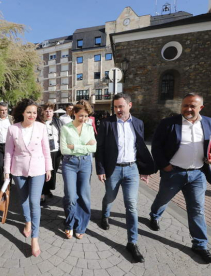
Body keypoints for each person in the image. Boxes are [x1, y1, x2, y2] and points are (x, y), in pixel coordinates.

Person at [149, 93, 211, 264]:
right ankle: (154, 214)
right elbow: (156, 146)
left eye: (192, 106)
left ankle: (200, 245)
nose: (188, 109)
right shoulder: (169, 123)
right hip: (173, 172)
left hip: (198, 174)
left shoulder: (210, 123)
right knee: (163, 198)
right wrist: (164, 165)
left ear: (200, 107)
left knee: (197, 209)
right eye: (185, 105)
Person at [95, 93, 155, 263]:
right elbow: (100, 149)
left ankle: (132, 242)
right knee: (110, 197)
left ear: (130, 105)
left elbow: (141, 148)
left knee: (132, 206)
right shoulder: (107, 123)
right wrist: (100, 169)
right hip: (113, 169)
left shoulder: (138, 123)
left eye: (121, 106)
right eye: (115, 107)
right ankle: (105, 214)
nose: (118, 110)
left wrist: (144, 170)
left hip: (132, 169)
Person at [4, 99, 52, 257]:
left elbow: (46, 149)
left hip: (38, 169)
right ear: (22, 113)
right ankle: (27, 222)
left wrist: (48, 168)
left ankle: (35, 238)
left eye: (35, 112)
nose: (32, 115)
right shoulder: (13, 129)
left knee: (34, 201)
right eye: (29, 112)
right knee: (23, 200)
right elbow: (9, 152)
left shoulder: (41, 127)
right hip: (18, 169)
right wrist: (6, 171)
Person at [60, 102, 96, 240]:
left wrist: (74, 146)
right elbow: (64, 150)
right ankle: (69, 223)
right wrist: (84, 146)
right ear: (74, 113)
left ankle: (81, 225)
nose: (83, 119)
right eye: (81, 115)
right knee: (70, 196)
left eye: (86, 116)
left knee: (84, 196)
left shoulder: (89, 128)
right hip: (70, 163)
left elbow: (94, 148)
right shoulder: (66, 128)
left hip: (86, 163)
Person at [41, 102, 63, 203]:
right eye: (46, 111)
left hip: (56, 151)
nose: (48, 113)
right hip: (44, 152)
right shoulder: (39, 123)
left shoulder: (58, 121)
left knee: (53, 171)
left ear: (53, 112)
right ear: (43, 112)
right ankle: (43, 192)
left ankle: (48, 189)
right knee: (45, 172)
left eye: (50, 111)